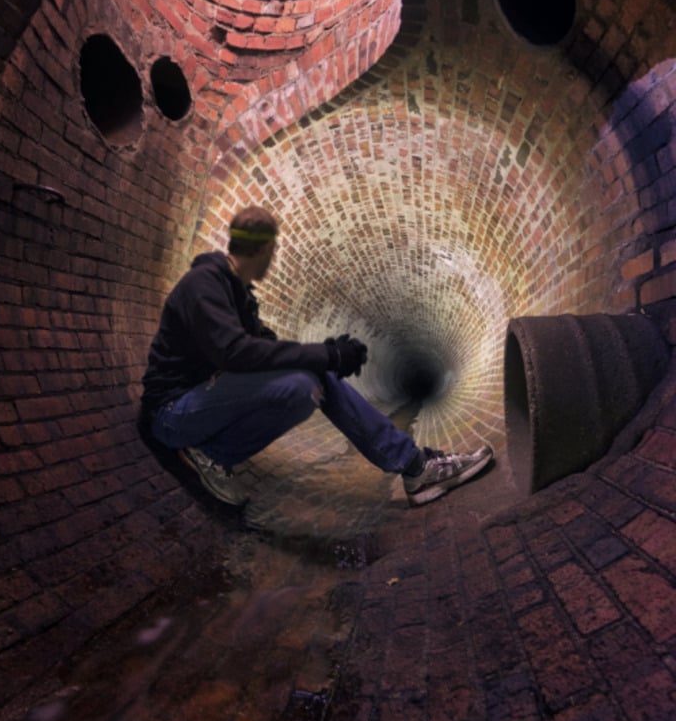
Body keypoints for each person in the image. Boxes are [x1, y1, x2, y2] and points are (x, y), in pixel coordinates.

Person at [140, 205, 492, 507]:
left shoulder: (239, 297)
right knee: (301, 383)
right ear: (265, 249)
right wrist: (324, 354)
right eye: (273, 252)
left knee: (310, 380)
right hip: (173, 413)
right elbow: (237, 353)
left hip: (204, 404)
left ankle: (414, 466)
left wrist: (326, 356)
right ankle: (213, 454)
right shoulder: (204, 284)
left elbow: (269, 351)